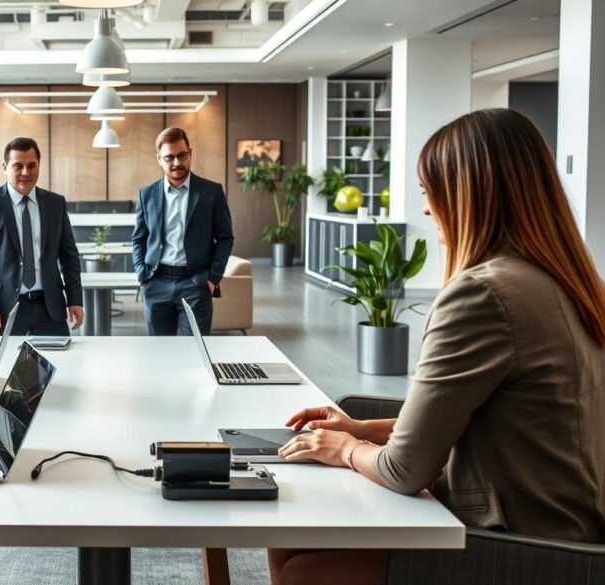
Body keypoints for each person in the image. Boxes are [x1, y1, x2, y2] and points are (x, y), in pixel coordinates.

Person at [269, 108, 605, 585]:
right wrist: (364, 427)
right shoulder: (571, 281)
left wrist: (345, 447)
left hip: (523, 544)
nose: (426, 209)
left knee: (308, 571)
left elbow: (403, 471)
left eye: (430, 192)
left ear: (469, 195)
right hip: (573, 531)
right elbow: (490, 417)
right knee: (294, 537)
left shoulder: (484, 294)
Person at [0, 137, 84, 336]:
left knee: (61, 364)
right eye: (17, 166)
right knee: (4, 367)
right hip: (3, 309)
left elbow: (69, 256)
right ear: (5, 167)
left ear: (39, 165)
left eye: (32, 165)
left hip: (50, 308)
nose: (25, 172)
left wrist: (75, 299)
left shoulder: (56, 203)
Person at [132, 127, 234, 335]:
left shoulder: (211, 192)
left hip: (196, 284)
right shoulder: (147, 194)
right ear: (159, 159)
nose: (177, 163)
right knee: (160, 353)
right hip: (156, 282)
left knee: (195, 352)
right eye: (169, 157)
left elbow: (225, 238)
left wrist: (212, 279)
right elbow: (139, 239)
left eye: (182, 155)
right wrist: (142, 275)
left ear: (190, 153)